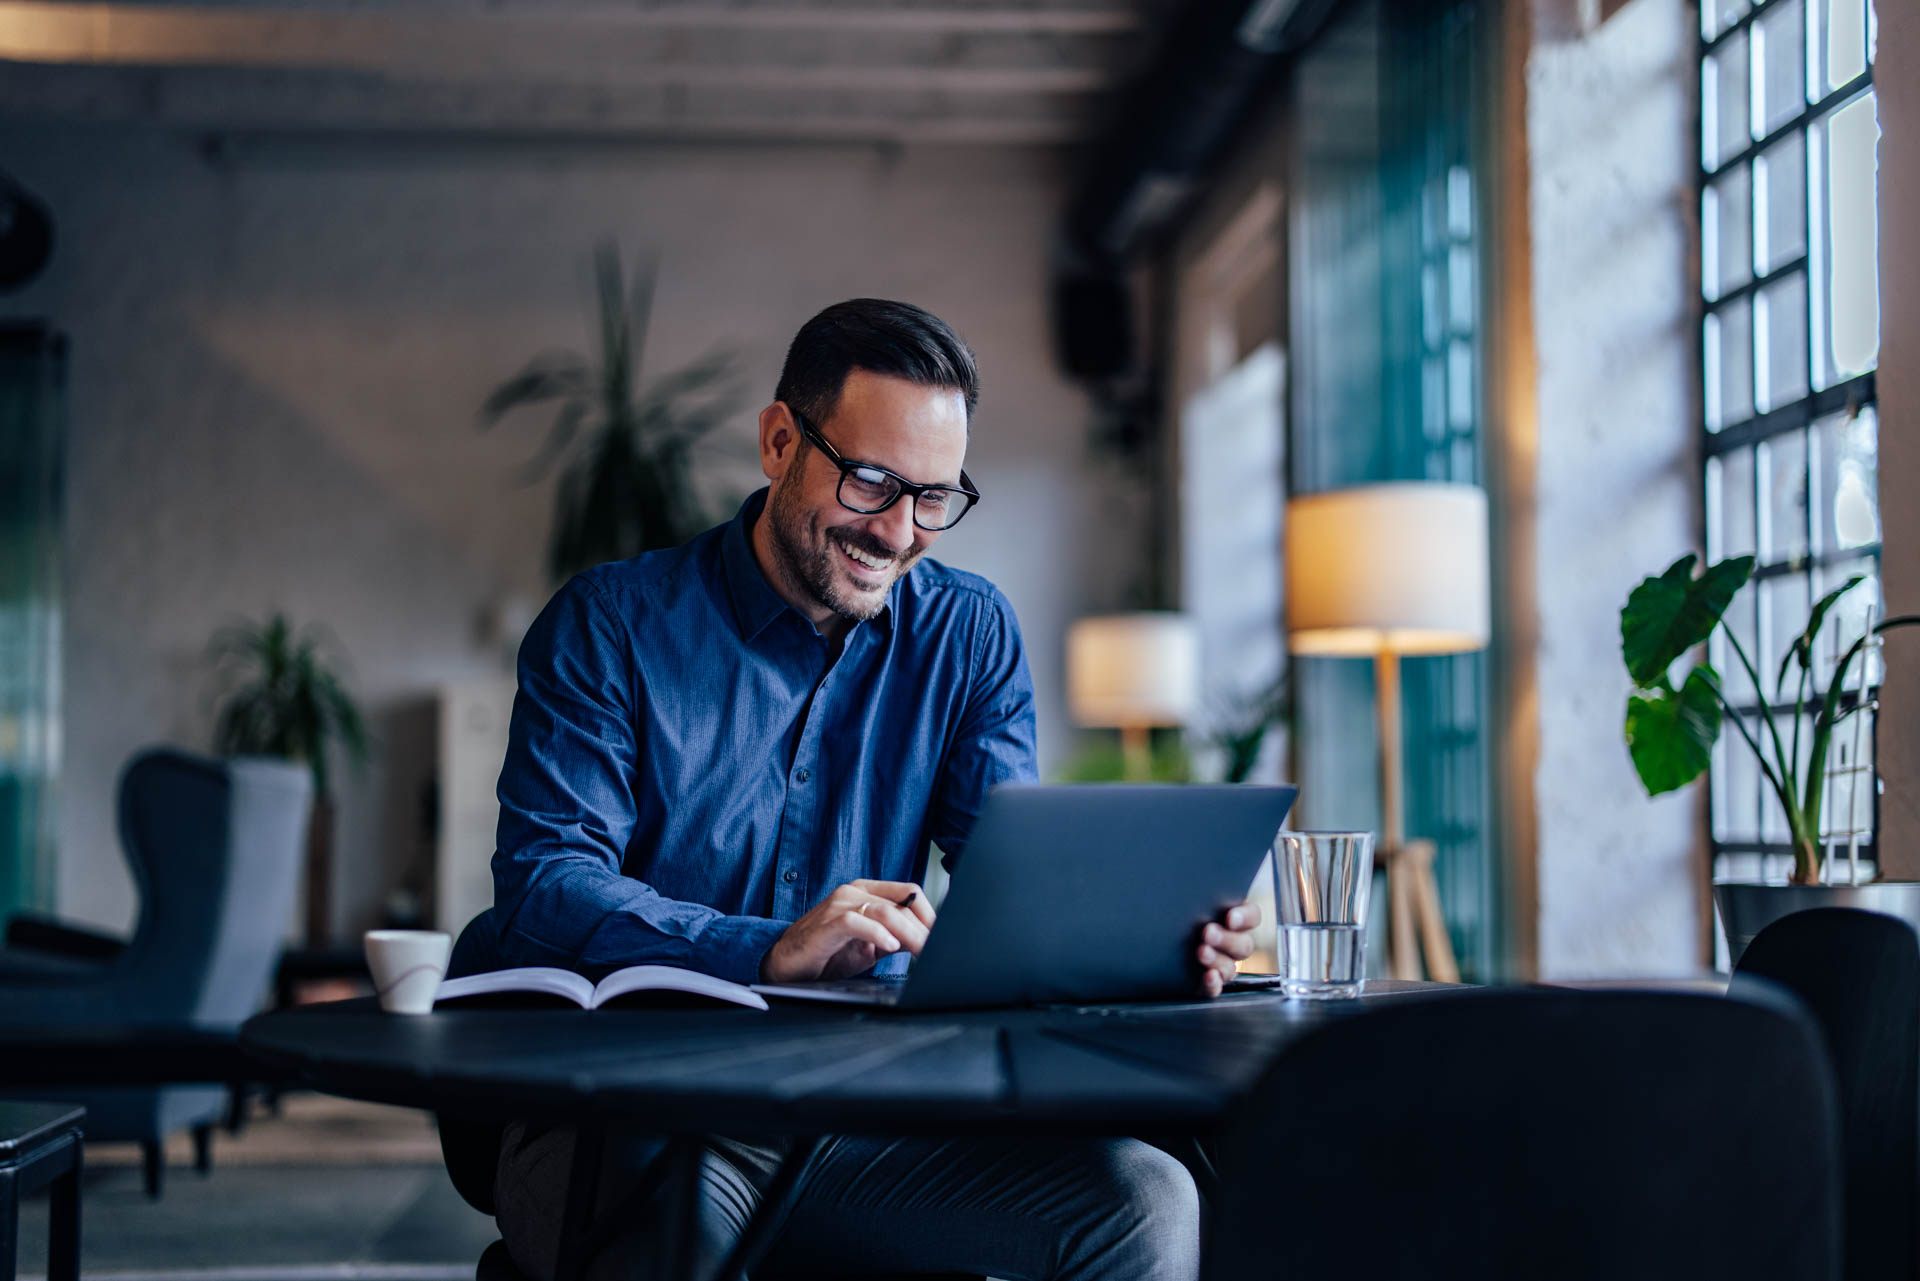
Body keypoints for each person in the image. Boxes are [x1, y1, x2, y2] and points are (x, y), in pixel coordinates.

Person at [475, 298, 1261, 1281]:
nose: (900, 532)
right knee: (677, 1239)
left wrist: (1150, 949)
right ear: (777, 441)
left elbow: (1012, 907)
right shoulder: (609, 627)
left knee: (1143, 1201)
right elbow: (546, 895)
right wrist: (770, 950)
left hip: (859, 1118)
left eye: (935, 496)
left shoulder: (968, 636)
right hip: (637, 1110)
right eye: (871, 481)